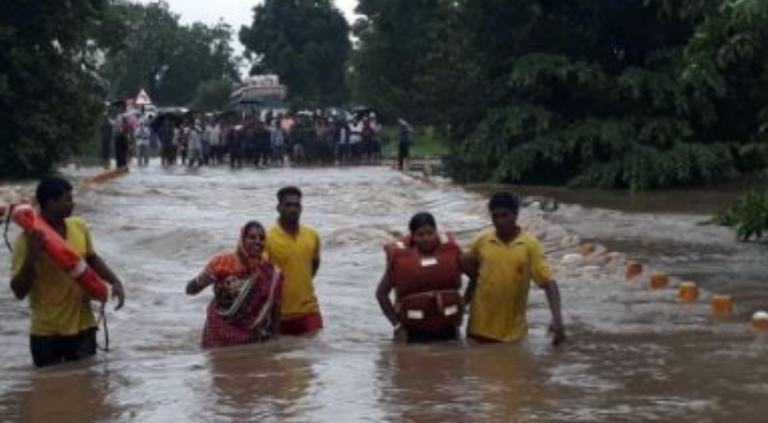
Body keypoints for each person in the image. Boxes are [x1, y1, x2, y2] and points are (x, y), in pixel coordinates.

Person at [10, 177, 126, 367]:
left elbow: (92, 258)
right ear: (50, 203)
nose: (73, 203)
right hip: (47, 333)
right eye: (67, 200)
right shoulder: (26, 240)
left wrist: (115, 281)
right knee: (47, 384)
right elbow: (18, 291)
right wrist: (32, 255)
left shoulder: (78, 226)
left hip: (84, 327)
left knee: (87, 382)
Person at [463, 192, 565, 346]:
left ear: (516, 214)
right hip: (478, 330)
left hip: (512, 334)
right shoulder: (481, 241)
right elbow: (466, 266)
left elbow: (549, 283)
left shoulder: (530, 245)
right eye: (495, 216)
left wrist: (557, 318)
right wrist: (462, 304)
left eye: (505, 215)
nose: (500, 221)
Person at [186, 221, 283, 348]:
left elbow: (275, 305)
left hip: (252, 337)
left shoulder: (270, 271)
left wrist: (275, 337)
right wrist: (200, 281)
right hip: (218, 333)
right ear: (242, 239)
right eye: (252, 237)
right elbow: (190, 290)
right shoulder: (223, 263)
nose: (258, 241)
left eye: (262, 238)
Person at [376, 212, 465, 343]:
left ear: (436, 232)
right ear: (413, 237)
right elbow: (381, 294)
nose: (426, 238)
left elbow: (475, 277)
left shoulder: (451, 252)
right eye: (420, 235)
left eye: (430, 233)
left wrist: (463, 307)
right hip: (413, 332)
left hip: (448, 329)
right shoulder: (401, 260)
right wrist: (397, 326)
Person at [265, 186, 323, 335]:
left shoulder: (312, 236)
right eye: (288, 205)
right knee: (280, 350)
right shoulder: (268, 238)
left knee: (315, 348)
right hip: (279, 316)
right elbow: (263, 277)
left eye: (297, 205)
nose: (293, 209)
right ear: (279, 208)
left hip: (309, 312)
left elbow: (313, 267)